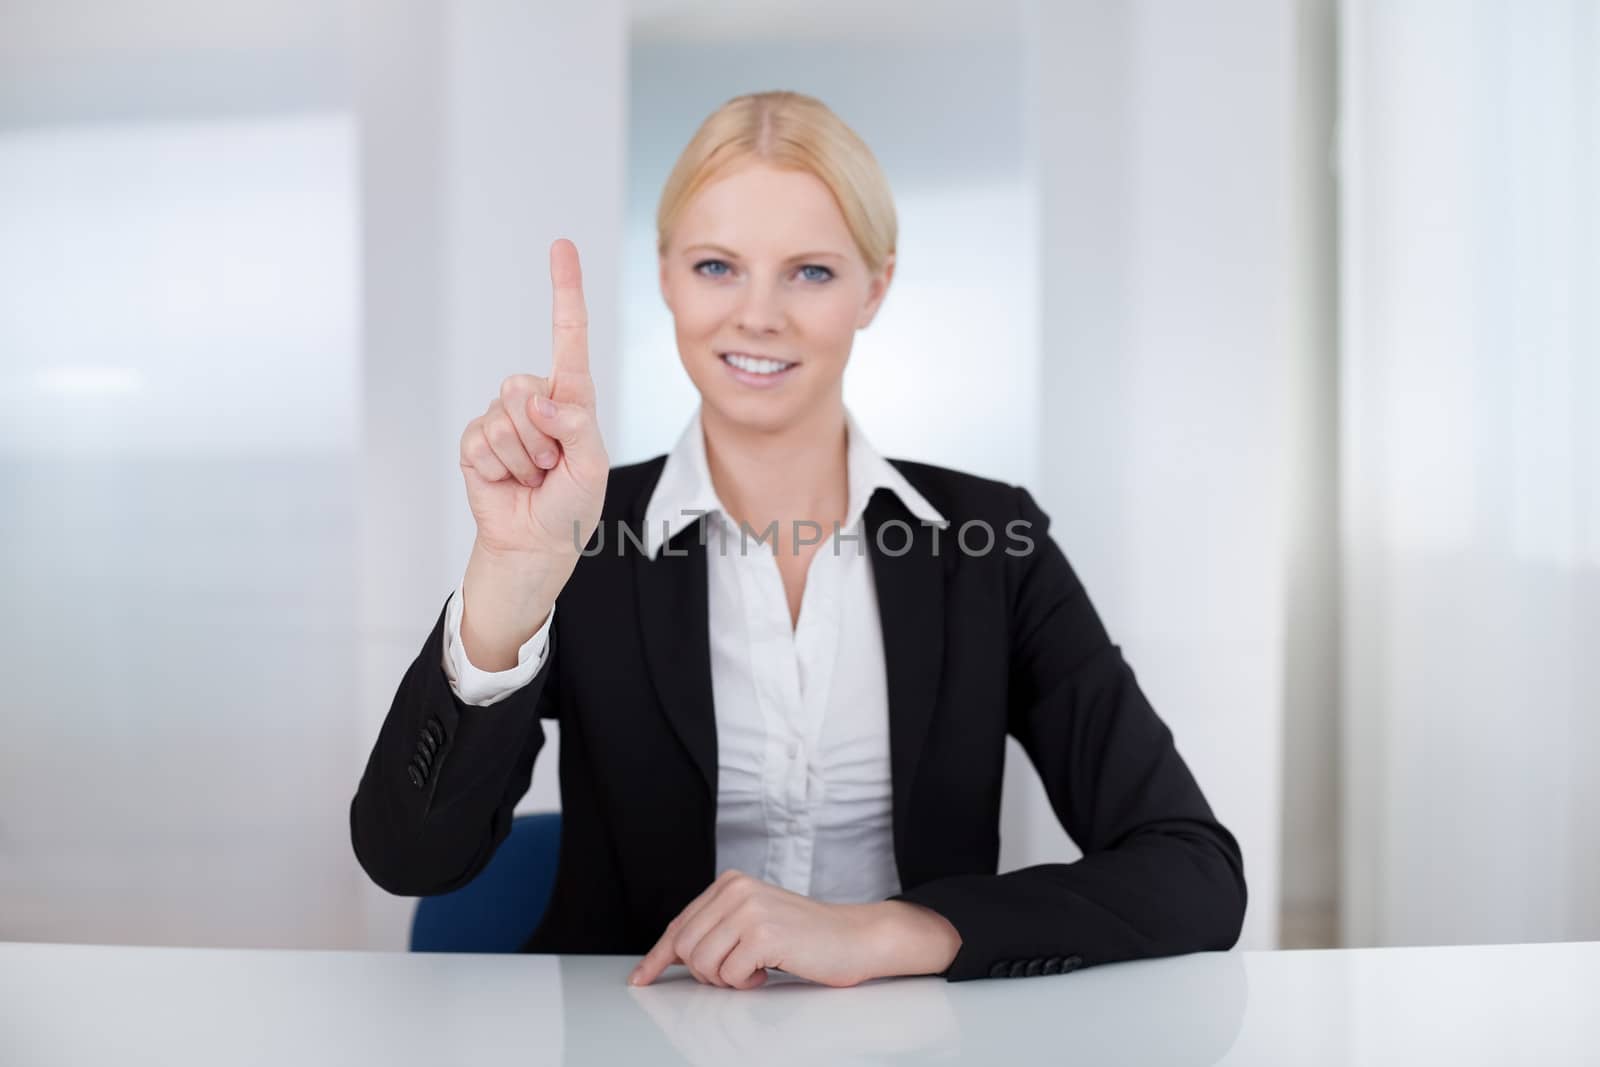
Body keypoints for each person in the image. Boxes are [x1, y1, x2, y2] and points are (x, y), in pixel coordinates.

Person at [350, 90, 1246, 989]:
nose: (759, 315)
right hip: (633, 1036)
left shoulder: (990, 543)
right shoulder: (580, 531)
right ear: (664, 275)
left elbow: (1194, 871)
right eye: (715, 266)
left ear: (875, 288)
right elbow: (409, 858)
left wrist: (889, 933)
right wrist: (512, 576)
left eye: (810, 272)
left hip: (911, 1041)